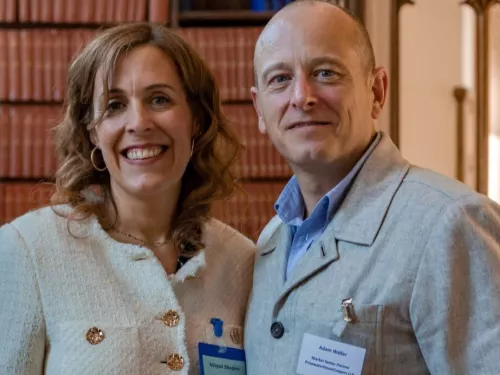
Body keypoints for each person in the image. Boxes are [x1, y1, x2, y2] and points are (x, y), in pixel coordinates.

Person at [244, 1, 500, 374]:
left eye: (326, 73)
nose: (301, 96)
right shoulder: (269, 243)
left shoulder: (451, 222)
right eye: (280, 79)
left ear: (377, 91)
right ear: (259, 110)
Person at [0, 23, 255, 374]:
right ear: (92, 131)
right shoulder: (28, 249)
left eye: (159, 99)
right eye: (115, 105)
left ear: (196, 119)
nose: (139, 122)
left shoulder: (243, 262)